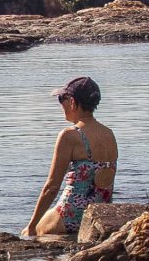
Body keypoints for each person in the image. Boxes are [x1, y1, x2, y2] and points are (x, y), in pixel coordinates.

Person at [23, 75, 118, 241]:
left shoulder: (70, 135)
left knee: (27, 234)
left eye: (61, 99)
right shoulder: (109, 134)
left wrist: (31, 226)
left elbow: (51, 187)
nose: (60, 105)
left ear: (73, 102)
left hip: (70, 216)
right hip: (98, 216)